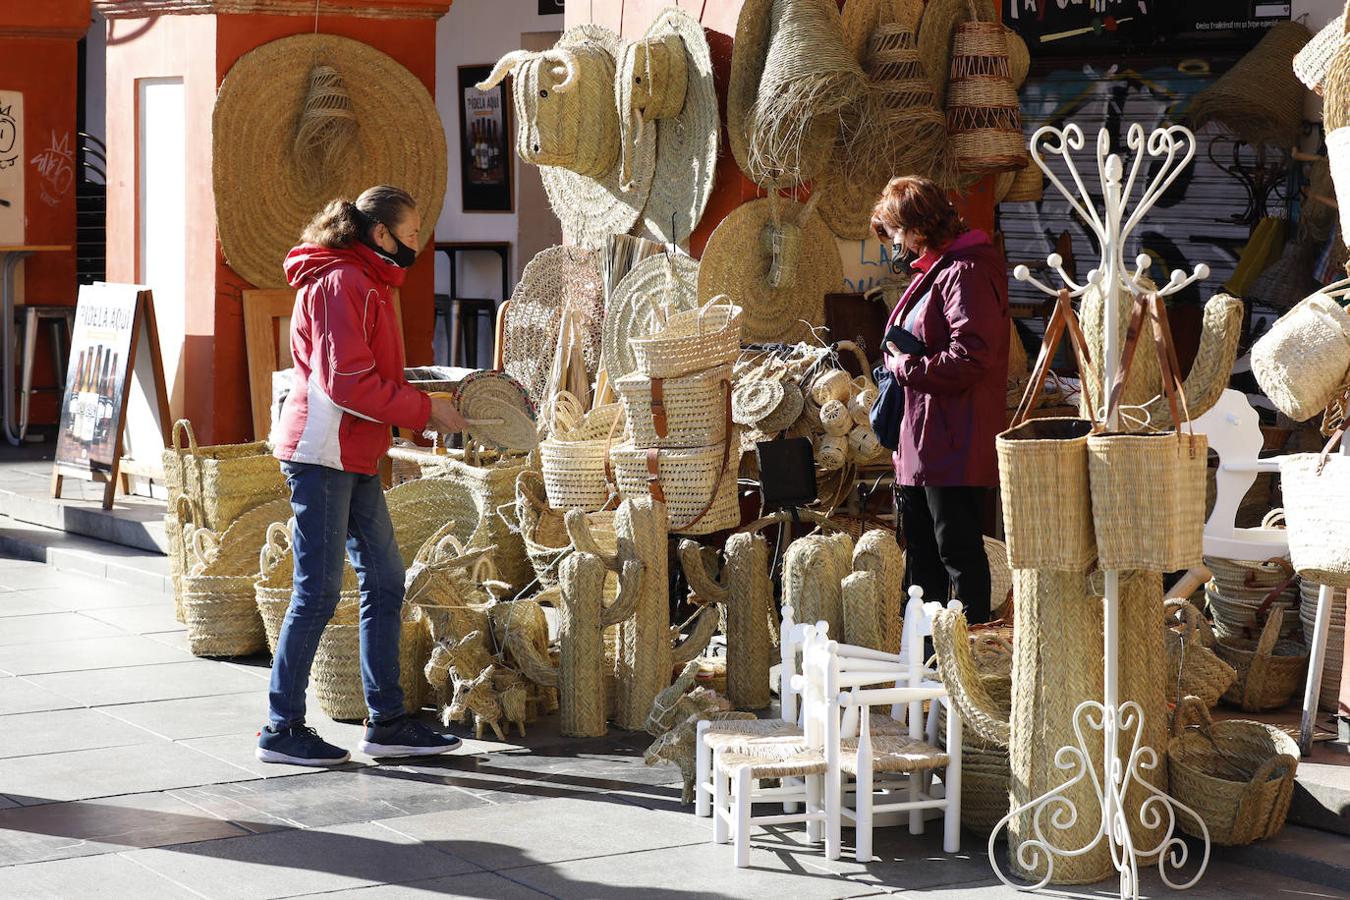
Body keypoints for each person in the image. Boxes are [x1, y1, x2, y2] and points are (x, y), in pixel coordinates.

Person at [258, 185, 466, 766]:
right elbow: (345, 383)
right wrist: (425, 412)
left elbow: (371, 378)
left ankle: (387, 722)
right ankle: (281, 727)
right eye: (412, 232)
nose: (418, 243)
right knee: (318, 593)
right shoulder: (341, 283)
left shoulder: (365, 280)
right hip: (323, 455)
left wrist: (419, 411)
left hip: (355, 454)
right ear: (381, 234)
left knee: (384, 579)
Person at [871, 176, 1009, 624]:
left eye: (896, 229)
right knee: (923, 565)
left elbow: (971, 357)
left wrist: (904, 367)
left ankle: (971, 664)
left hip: (951, 441)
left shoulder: (965, 272)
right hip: (925, 441)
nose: (894, 241)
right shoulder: (940, 270)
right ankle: (926, 663)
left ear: (918, 227)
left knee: (957, 555)